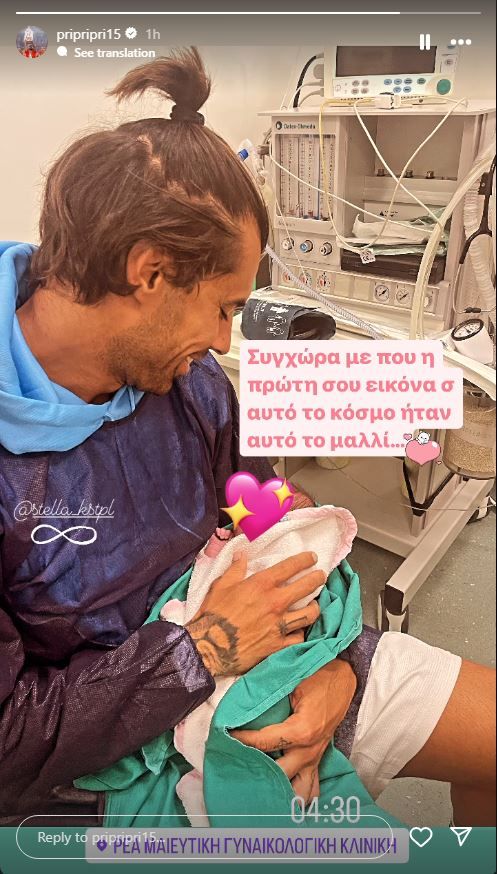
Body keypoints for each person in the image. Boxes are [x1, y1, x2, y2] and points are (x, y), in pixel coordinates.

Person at [0, 48, 495, 828]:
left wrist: (329, 659)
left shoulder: (190, 384)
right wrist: (198, 650)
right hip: (108, 750)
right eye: (224, 307)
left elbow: (268, 519)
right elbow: (11, 740)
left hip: (273, 650)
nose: (225, 340)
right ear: (149, 272)